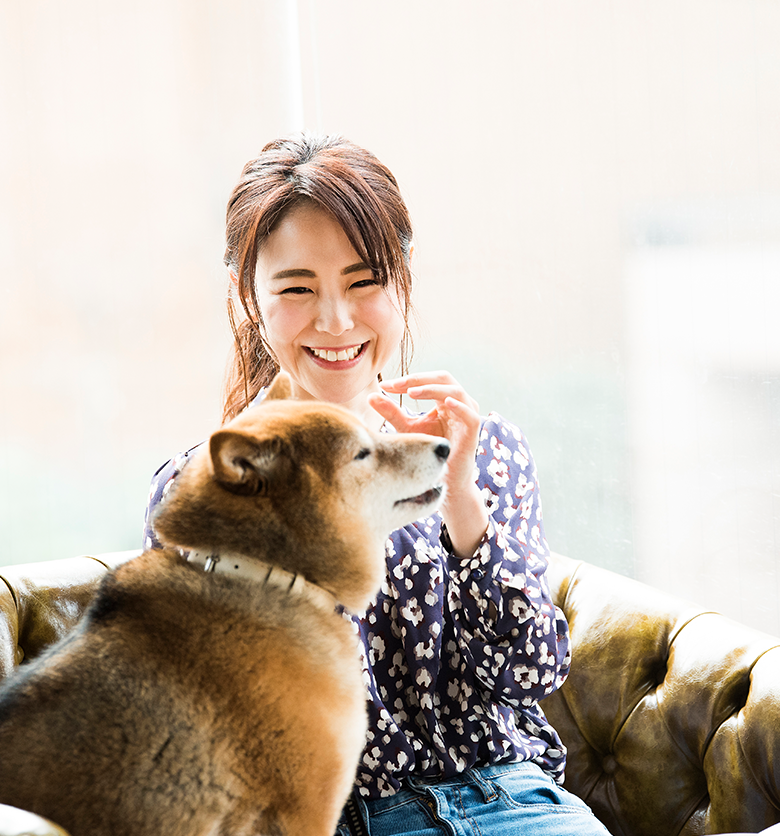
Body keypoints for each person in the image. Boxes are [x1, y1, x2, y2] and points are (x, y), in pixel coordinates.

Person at [142, 134, 612, 836]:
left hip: (508, 801)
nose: (336, 321)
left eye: (364, 282)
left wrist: (460, 497)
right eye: (297, 289)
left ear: (402, 282)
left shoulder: (486, 450)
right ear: (249, 298)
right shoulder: (205, 490)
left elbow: (529, 672)